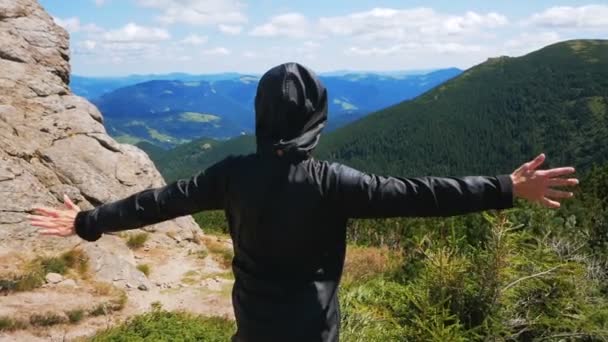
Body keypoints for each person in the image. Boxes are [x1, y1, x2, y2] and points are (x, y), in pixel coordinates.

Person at [28, 62, 579, 342]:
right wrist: (507, 187)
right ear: (316, 115)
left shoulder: (231, 176)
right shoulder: (333, 181)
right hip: (313, 329)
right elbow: (424, 196)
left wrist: (86, 222)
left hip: (253, 321)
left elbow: (157, 202)